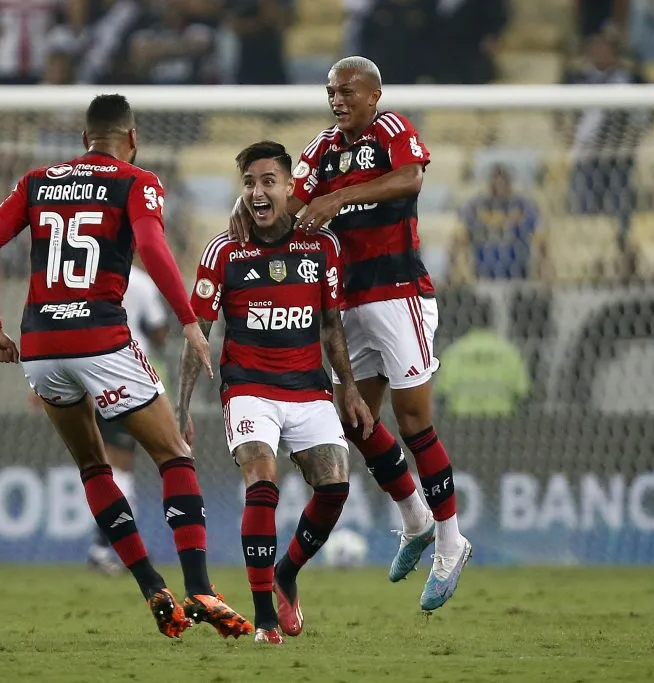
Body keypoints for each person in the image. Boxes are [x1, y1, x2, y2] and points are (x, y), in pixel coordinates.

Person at [0, 94, 252, 640]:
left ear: (84, 140)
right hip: (101, 339)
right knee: (175, 454)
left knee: (93, 467)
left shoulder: (37, 181)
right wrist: (189, 320)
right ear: (133, 138)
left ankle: (152, 586)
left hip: (42, 345)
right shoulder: (136, 180)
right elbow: (150, 242)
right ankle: (199, 585)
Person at [229, 56, 472, 612]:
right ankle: (412, 516)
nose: (336, 100)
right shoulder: (324, 147)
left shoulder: (392, 131)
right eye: (330, 91)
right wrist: (252, 205)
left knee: (413, 422)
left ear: (373, 95)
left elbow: (411, 178)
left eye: (346, 91)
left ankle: (451, 541)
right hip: (351, 303)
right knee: (356, 421)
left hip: (399, 293)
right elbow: (292, 196)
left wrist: (342, 197)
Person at [179, 140, 373, 645]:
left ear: (290, 187)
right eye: (249, 183)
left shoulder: (322, 246)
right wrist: (181, 409)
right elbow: (196, 330)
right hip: (248, 388)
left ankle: (286, 572)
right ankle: (265, 616)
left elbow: (332, 325)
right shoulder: (225, 250)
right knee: (262, 480)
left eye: (268, 182)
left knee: (335, 486)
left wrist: (348, 388)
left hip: (309, 388)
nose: (258, 192)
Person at [86, 260, 171, 574]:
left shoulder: (90, 278)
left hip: (95, 373)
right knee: (122, 466)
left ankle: (105, 547)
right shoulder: (140, 282)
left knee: (107, 464)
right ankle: (106, 548)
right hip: (130, 376)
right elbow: (160, 329)